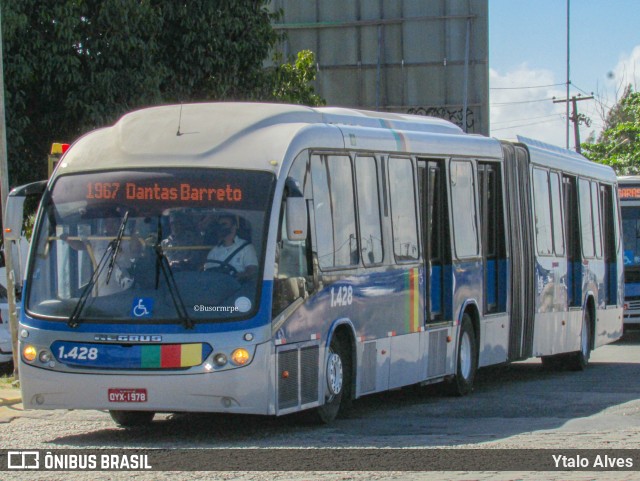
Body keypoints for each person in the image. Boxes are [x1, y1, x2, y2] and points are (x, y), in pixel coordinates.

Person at [204, 214, 257, 281]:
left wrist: (239, 276)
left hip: (238, 289)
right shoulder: (214, 251)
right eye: (220, 225)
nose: (222, 227)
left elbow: (252, 271)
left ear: (234, 227)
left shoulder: (246, 248)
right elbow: (208, 273)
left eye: (224, 224)